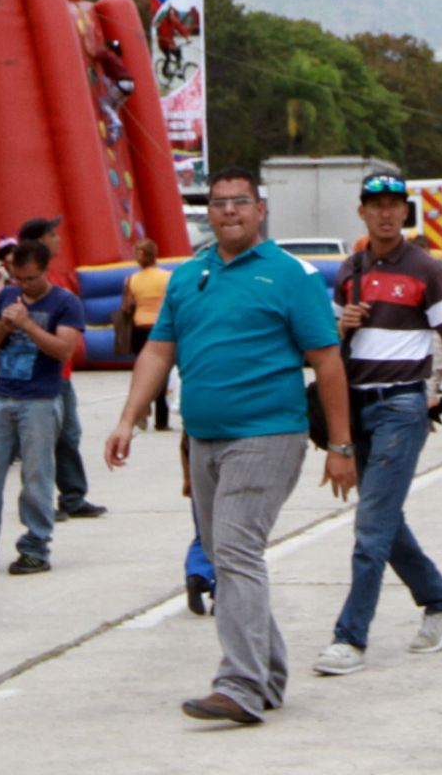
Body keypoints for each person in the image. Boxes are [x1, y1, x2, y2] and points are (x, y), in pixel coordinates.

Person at [106, 169, 357, 727]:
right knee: (225, 557)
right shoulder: (188, 276)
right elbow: (157, 353)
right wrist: (128, 417)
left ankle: (240, 683)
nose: (228, 212)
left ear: (260, 209)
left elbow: (327, 362)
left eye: (239, 202)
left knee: (238, 550)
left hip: (269, 434)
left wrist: (340, 445)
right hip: (205, 438)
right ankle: (266, 675)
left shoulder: (292, 276)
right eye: (218, 204)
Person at [313, 173, 442, 678]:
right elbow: (326, 343)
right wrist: (343, 324)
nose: (386, 213)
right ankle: (438, 600)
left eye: (395, 205)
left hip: (402, 407)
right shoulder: (347, 270)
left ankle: (349, 638)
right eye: (376, 205)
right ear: (362, 212)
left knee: (370, 525)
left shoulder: (428, 270)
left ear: (406, 213)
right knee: (385, 518)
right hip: (356, 405)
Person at [0, 237, 85, 575]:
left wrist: (28, 325)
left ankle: (36, 544)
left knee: (37, 474)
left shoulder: (66, 303)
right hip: (1, 394)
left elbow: (64, 350)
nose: (23, 285)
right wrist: (3, 328)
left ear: (45, 271)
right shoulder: (6, 296)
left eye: (30, 278)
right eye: (18, 278)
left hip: (41, 399)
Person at [10, 216, 108, 523]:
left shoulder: (57, 279)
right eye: (52, 235)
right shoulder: (22, 286)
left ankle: (72, 495)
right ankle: (42, 501)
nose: (58, 239)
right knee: (39, 443)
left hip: (60, 374)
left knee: (68, 435)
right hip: (35, 377)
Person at [121, 243, 173, 432]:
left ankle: (142, 410)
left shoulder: (131, 279)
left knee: (143, 372)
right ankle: (162, 420)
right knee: (163, 374)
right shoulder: (167, 277)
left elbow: (125, 307)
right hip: (161, 329)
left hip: (139, 329)